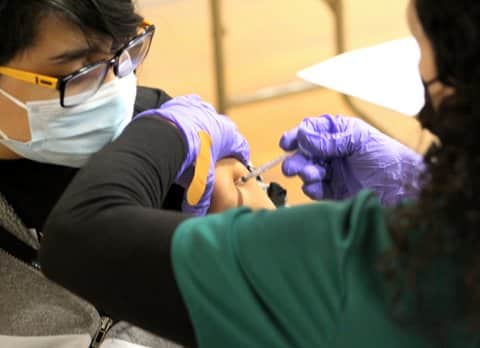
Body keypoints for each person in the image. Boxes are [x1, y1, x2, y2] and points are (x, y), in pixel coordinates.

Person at [40, 0, 478, 346]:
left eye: (419, 49)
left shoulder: (339, 262)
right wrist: (418, 186)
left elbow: (79, 237)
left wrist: (170, 127)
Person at [0, 0, 274, 347]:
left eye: (125, 51)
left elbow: (284, 297)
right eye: (80, 72)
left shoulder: (174, 142)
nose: (115, 88)